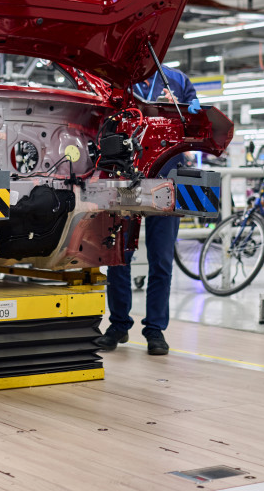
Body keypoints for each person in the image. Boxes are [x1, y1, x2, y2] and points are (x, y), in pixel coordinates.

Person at [96, 63, 202, 356]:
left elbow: (196, 120)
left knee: (162, 261)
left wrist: (192, 110)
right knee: (119, 258)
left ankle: (155, 330)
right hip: (127, 179)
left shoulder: (178, 80)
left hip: (167, 179)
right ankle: (118, 325)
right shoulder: (119, 80)